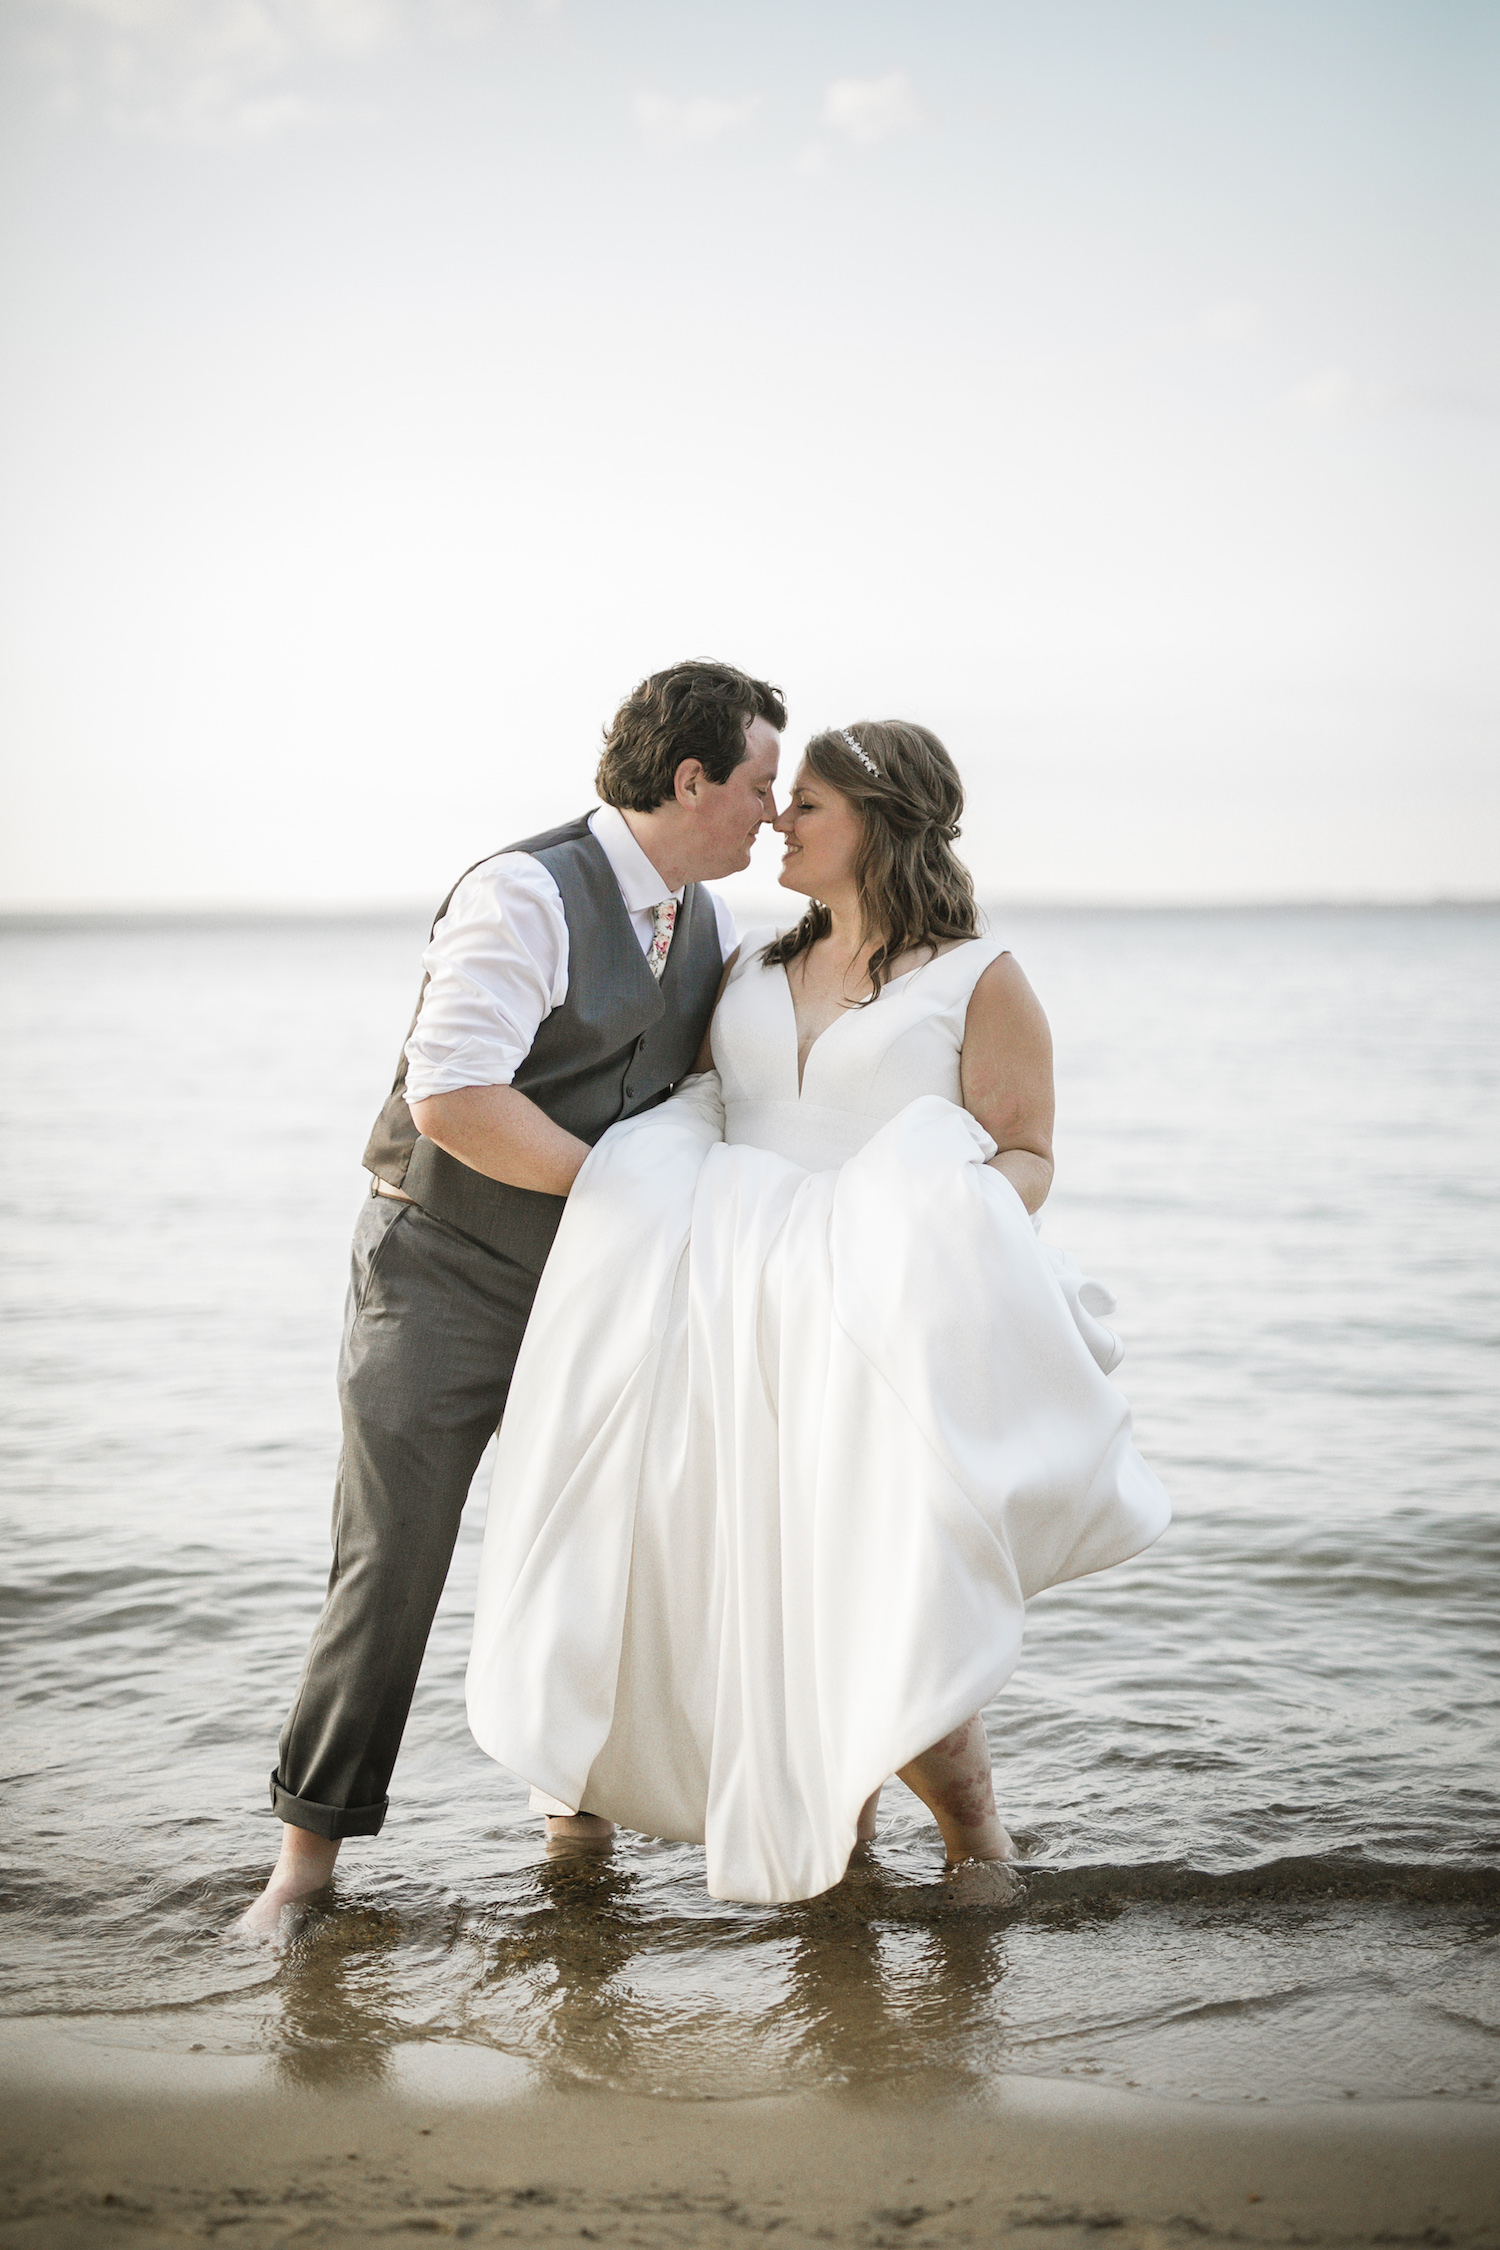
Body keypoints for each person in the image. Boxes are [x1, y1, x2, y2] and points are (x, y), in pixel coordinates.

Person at [465, 721, 1171, 1904]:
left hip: (867, 1318)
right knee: (726, 1570)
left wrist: (928, 1241)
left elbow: (1028, 1156)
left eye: (808, 805)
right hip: (725, 1313)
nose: (779, 823)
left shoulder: (978, 979)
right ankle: (811, 1844)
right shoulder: (747, 962)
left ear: (880, 826)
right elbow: (694, 1099)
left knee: (884, 1571)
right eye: (781, 800)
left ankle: (977, 1846)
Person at [241, 659, 786, 1933]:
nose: (772, 812)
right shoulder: (524, 892)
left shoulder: (710, 925)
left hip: (587, 1294)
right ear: (691, 775)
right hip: (438, 1275)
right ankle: (302, 1871)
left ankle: (575, 1826)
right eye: (761, 784)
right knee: (392, 1567)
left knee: (590, 1550)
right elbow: (456, 1100)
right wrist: (626, 1199)